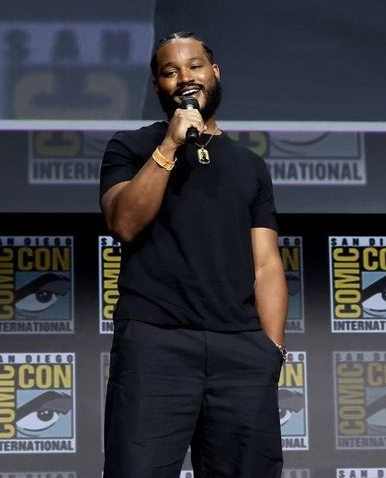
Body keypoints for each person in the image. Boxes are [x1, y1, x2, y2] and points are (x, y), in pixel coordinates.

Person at [99, 30, 288, 478]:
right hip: (156, 345)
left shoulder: (248, 165)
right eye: (170, 71)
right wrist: (169, 147)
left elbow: (265, 263)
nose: (185, 77)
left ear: (215, 73)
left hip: (240, 349)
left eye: (195, 66)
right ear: (157, 87)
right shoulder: (130, 147)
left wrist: (271, 349)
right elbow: (124, 223)